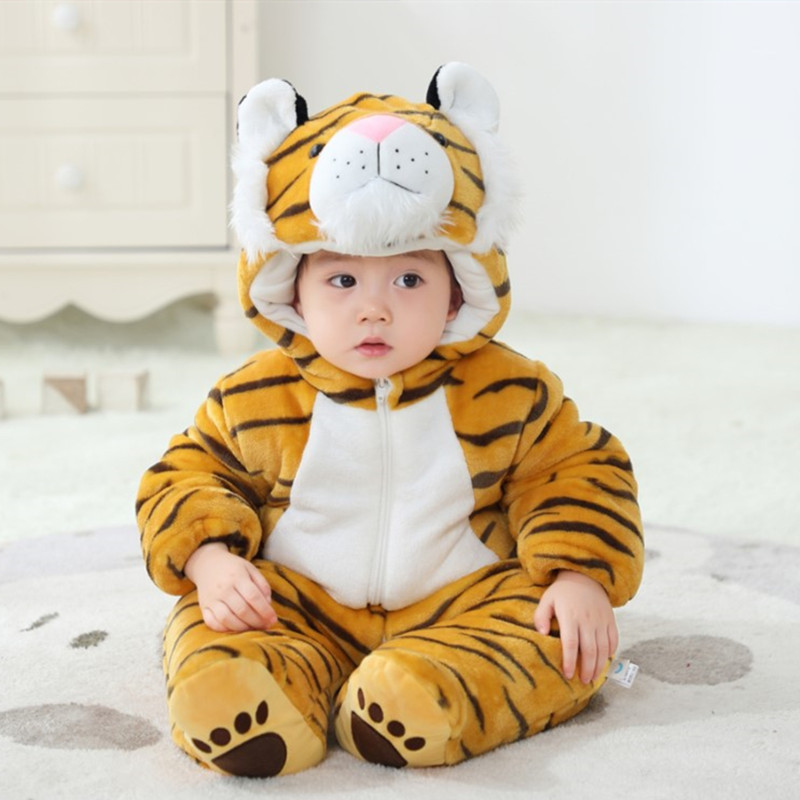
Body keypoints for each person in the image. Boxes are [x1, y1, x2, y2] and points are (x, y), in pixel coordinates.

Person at [137, 63, 643, 779]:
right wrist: (210, 560)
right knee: (209, 617)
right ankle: (255, 696)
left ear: (457, 290)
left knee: (564, 635)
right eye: (342, 280)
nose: (373, 309)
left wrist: (579, 575)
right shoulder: (254, 397)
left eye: (409, 279)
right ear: (292, 292)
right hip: (296, 603)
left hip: (461, 603)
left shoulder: (510, 391)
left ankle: (425, 691)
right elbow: (185, 476)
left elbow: (577, 470)